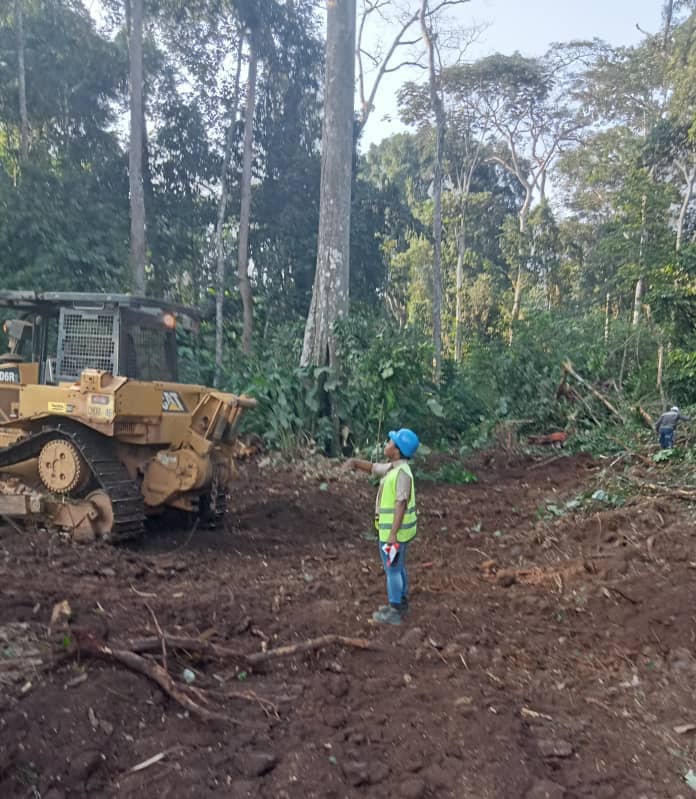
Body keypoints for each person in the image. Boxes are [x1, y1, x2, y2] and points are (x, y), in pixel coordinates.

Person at [345, 428, 419, 625]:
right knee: (398, 567)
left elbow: (401, 503)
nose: (386, 444)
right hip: (396, 532)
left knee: (392, 570)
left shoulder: (401, 474)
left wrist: (393, 533)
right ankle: (401, 602)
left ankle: (394, 610)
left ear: (396, 450)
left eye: (390, 442)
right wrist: (354, 462)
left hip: (394, 533)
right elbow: (373, 468)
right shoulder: (394, 468)